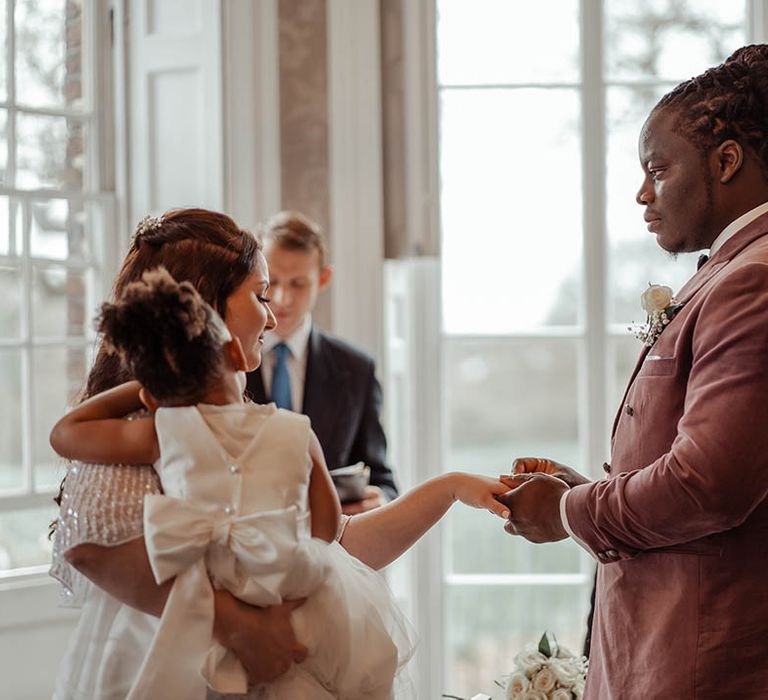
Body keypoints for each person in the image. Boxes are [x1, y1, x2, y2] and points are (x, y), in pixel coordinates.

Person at [49, 208, 511, 699]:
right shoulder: (148, 427)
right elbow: (95, 552)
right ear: (208, 309)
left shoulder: (256, 422)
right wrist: (235, 625)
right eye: (261, 295)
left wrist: (452, 488)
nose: (274, 315)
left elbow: (335, 546)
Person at [498, 45, 768, 697]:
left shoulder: (752, 282)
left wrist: (568, 509)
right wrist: (588, 488)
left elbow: (707, 486)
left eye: (658, 169)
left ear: (726, 161)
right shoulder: (727, 271)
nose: (643, 194)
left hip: (702, 665)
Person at [50, 266, 414, 699]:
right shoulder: (297, 431)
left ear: (148, 394)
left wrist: (150, 388)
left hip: (204, 608)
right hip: (293, 595)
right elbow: (326, 526)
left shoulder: (163, 432)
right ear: (237, 357)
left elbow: (66, 433)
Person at [245, 211, 397, 514]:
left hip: (331, 546)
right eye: (271, 281)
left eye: (298, 283)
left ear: (323, 279)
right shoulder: (226, 359)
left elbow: (381, 477)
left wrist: (379, 500)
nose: (282, 298)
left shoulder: (356, 369)